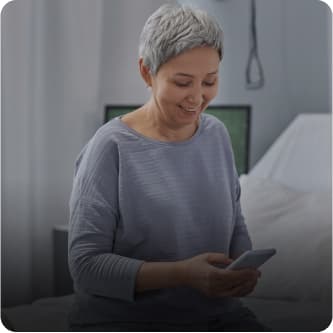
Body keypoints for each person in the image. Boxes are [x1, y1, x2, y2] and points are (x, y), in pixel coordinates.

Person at [68, 3, 267, 331]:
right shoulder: (109, 148)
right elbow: (86, 266)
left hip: (219, 316)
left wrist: (242, 268)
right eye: (182, 82)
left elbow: (235, 227)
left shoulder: (216, 134)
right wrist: (184, 274)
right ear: (146, 71)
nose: (197, 97)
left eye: (210, 81)